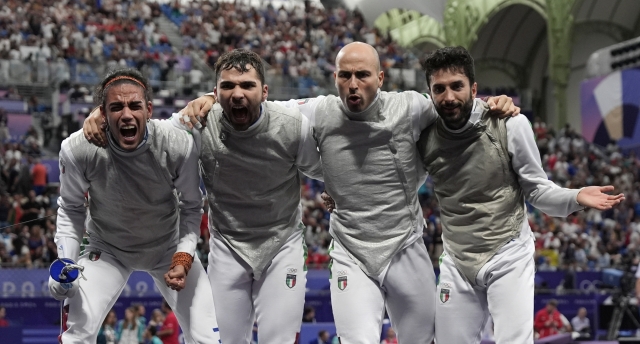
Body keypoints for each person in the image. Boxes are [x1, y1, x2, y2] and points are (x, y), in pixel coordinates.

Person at [175, 42, 517, 344]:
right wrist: (211, 98)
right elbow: (263, 106)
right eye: (345, 75)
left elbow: (453, 103)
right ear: (335, 77)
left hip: (405, 245)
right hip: (351, 250)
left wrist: (490, 103)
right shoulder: (317, 111)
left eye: (362, 75)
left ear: (380, 79)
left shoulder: (412, 107)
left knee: (423, 338)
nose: (353, 84)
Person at [83, 50, 323, 344]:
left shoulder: (291, 123)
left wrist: (337, 190)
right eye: (228, 86)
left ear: (264, 92)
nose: (237, 94)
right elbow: (149, 128)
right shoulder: (198, 120)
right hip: (227, 248)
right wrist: (102, 113)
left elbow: (325, 166)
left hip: (282, 245)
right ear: (215, 91)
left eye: (247, 85)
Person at [417, 46, 625, 344]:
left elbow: (538, 190)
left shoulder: (510, 124)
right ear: (430, 92)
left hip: (508, 253)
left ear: (473, 89)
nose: (448, 97)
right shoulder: (423, 134)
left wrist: (576, 196)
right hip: (457, 261)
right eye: (439, 89)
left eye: (456, 86)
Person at [49, 68, 219, 343]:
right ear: (102, 114)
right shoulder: (77, 148)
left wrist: (184, 256)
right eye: (116, 107)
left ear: (149, 109)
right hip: (107, 249)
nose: (126, 114)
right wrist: (66, 262)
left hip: (168, 247)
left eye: (134, 106)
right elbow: (70, 208)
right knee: (75, 336)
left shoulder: (177, 144)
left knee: (209, 338)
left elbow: (191, 207)